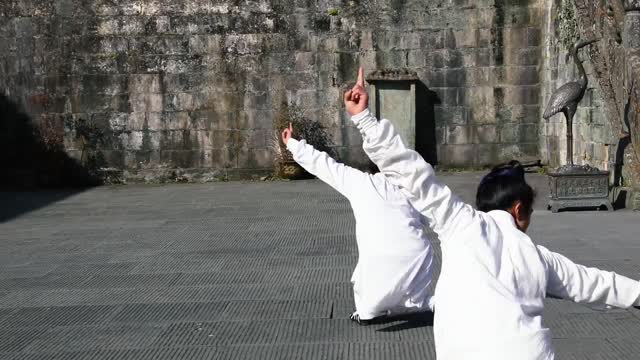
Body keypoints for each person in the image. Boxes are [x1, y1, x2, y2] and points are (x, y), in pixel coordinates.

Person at [345, 67, 640, 359]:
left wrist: (364, 119)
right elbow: (595, 283)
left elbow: (411, 172)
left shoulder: (458, 222)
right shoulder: (538, 256)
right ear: (518, 208)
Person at [281, 123, 436, 324]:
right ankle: (423, 302)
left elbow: (324, 165)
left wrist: (293, 144)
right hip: (417, 254)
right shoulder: (412, 187)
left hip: (380, 258)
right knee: (414, 287)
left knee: (367, 297)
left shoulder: (360, 182)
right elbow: (439, 215)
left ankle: (370, 312)